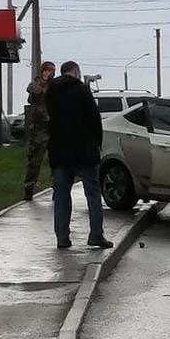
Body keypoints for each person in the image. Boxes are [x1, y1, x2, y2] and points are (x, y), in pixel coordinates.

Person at [45, 60, 112, 250]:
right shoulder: (82, 90)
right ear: (75, 72)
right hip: (84, 152)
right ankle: (96, 235)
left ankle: (62, 238)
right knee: (92, 193)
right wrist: (97, 143)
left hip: (59, 152)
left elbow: (50, 118)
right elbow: (94, 118)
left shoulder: (51, 91)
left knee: (61, 196)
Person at [23, 61, 56, 200]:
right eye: (46, 70)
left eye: (51, 71)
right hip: (38, 129)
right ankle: (29, 188)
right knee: (34, 161)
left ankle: (57, 188)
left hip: (53, 128)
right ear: (42, 71)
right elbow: (34, 94)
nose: (48, 73)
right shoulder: (35, 84)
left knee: (56, 161)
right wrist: (41, 82)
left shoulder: (54, 86)